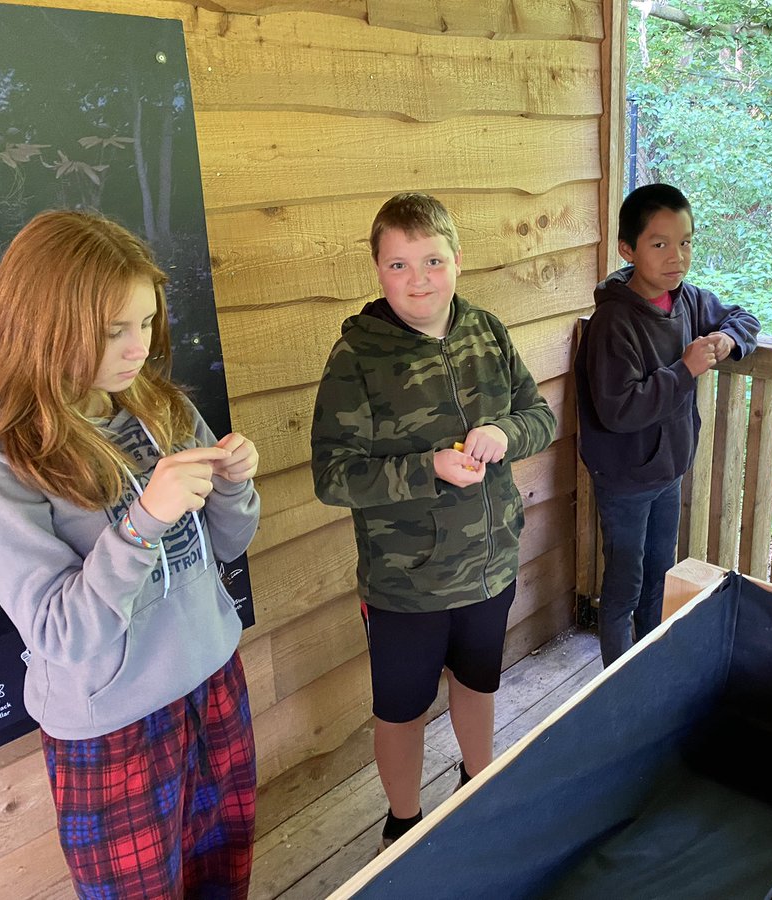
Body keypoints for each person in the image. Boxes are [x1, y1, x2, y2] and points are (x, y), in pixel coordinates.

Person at [0, 210, 261, 898]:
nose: (138, 347)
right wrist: (144, 520)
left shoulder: (159, 406)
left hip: (214, 682)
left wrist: (235, 486)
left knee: (225, 876)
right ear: (43, 325)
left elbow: (228, 547)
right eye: (113, 330)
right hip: (115, 729)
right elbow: (63, 633)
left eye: (146, 322)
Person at [310, 192, 555, 850]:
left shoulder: (488, 333)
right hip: (406, 584)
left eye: (432, 261)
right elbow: (332, 477)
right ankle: (404, 823)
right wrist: (427, 469)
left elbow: (542, 417)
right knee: (401, 710)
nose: (418, 280)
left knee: (478, 683)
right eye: (398, 265)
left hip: (489, 565)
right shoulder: (356, 359)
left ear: (457, 260)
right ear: (376, 270)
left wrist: (506, 432)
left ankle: (478, 783)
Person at [575, 183, 761, 667]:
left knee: (659, 576)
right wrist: (685, 370)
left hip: (668, 469)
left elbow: (744, 318)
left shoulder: (687, 300)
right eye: (659, 244)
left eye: (686, 242)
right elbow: (619, 409)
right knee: (624, 584)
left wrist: (724, 339)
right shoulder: (613, 322)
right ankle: (616, 684)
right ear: (627, 249)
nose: (676, 256)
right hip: (624, 477)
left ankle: (647, 671)